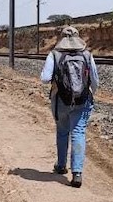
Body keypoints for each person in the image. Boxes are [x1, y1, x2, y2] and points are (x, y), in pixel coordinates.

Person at [40, 26, 99, 188]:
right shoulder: (87, 54)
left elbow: (45, 78)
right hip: (82, 100)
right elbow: (95, 81)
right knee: (78, 132)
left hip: (60, 100)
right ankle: (77, 173)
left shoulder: (54, 54)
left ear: (61, 38)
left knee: (62, 132)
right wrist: (88, 94)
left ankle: (60, 165)